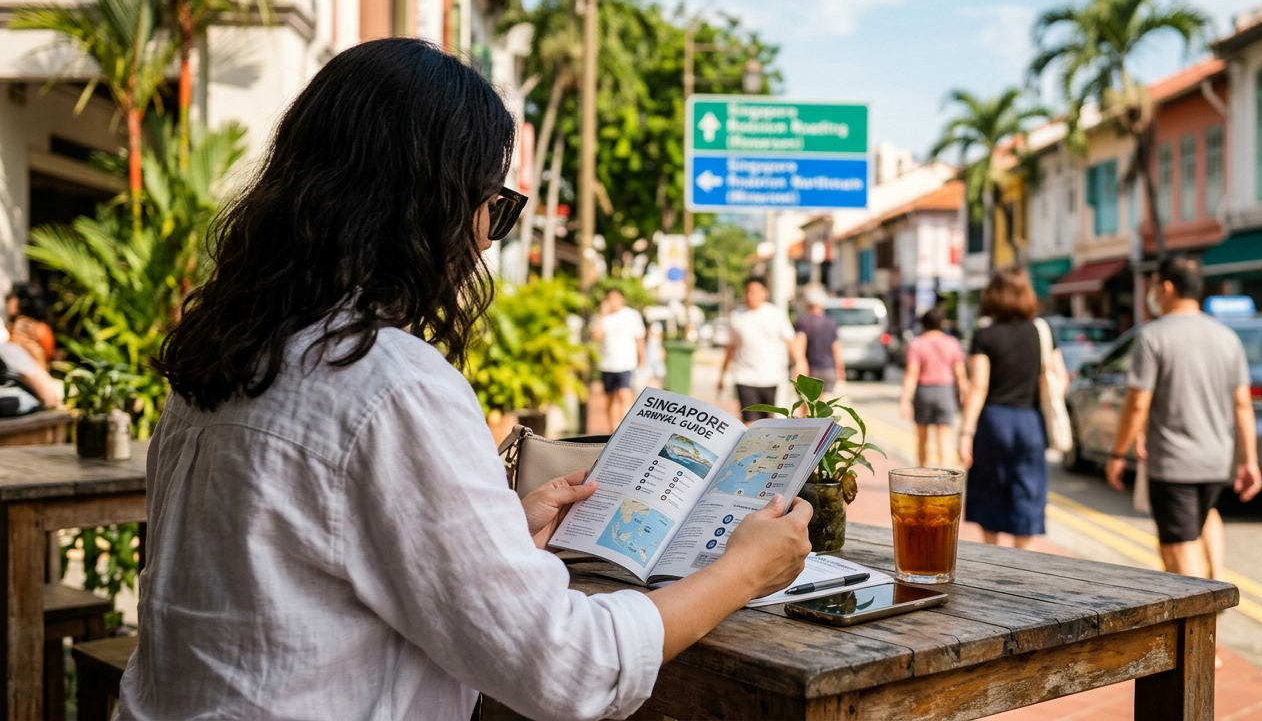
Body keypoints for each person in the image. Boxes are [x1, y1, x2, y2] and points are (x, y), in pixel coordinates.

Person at [126, 39, 811, 720]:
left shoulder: (223, 355)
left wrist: (500, 531)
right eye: (495, 206)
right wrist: (745, 569)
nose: (488, 238)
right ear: (432, 206)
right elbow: (565, 667)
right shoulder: (388, 383)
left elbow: (299, 567)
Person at [1105, 256, 1261, 579]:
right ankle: (1214, 577)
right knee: (1202, 518)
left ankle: (1202, 618)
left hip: (1174, 463)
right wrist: (1250, 460)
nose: (1152, 294)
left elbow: (1137, 403)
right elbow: (1243, 405)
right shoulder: (1227, 338)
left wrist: (1118, 453)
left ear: (1166, 287)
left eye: (1153, 286)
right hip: (1217, 461)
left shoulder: (1153, 336)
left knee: (1178, 547)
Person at [957, 269, 1058, 549]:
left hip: (994, 420)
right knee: (1027, 489)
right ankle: (1022, 555)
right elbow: (1058, 375)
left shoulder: (985, 334)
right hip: (1030, 419)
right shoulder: (1041, 331)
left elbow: (979, 386)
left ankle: (993, 550)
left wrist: (966, 432)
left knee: (990, 488)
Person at [717, 276, 808, 423]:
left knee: (770, 422)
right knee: (750, 421)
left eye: (755, 291)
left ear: (765, 293)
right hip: (745, 376)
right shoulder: (736, 316)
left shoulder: (776, 314)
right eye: (748, 291)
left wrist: (800, 363)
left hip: (772, 377)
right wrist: (722, 375)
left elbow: (790, 341)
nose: (751, 295)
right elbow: (730, 348)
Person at [900, 307, 967, 467]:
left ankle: (922, 475)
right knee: (944, 438)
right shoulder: (952, 343)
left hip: (924, 391)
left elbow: (912, 374)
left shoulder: (917, 344)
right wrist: (963, 393)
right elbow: (960, 373)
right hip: (945, 391)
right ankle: (943, 480)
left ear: (923, 324)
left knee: (922, 439)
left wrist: (905, 400)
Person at [591, 286, 647, 429]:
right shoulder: (603, 318)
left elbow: (639, 338)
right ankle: (612, 430)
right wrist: (602, 315)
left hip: (626, 363)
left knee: (624, 394)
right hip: (608, 364)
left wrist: (642, 359)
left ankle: (625, 429)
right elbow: (596, 336)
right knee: (609, 399)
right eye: (610, 299)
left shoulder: (632, 315)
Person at [793, 286, 844, 392]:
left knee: (806, 403)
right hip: (828, 368)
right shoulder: (831, 322)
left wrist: (799, 364)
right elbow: (836, 347)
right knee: (822, 404)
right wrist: (840, 368)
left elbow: (800, 344)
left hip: (810, 368)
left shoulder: (804, 322)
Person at [6, 282, 56, 370]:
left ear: (22, 302)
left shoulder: (40, 330)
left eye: (12, 298)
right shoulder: (12, 326)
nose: (8, 301)